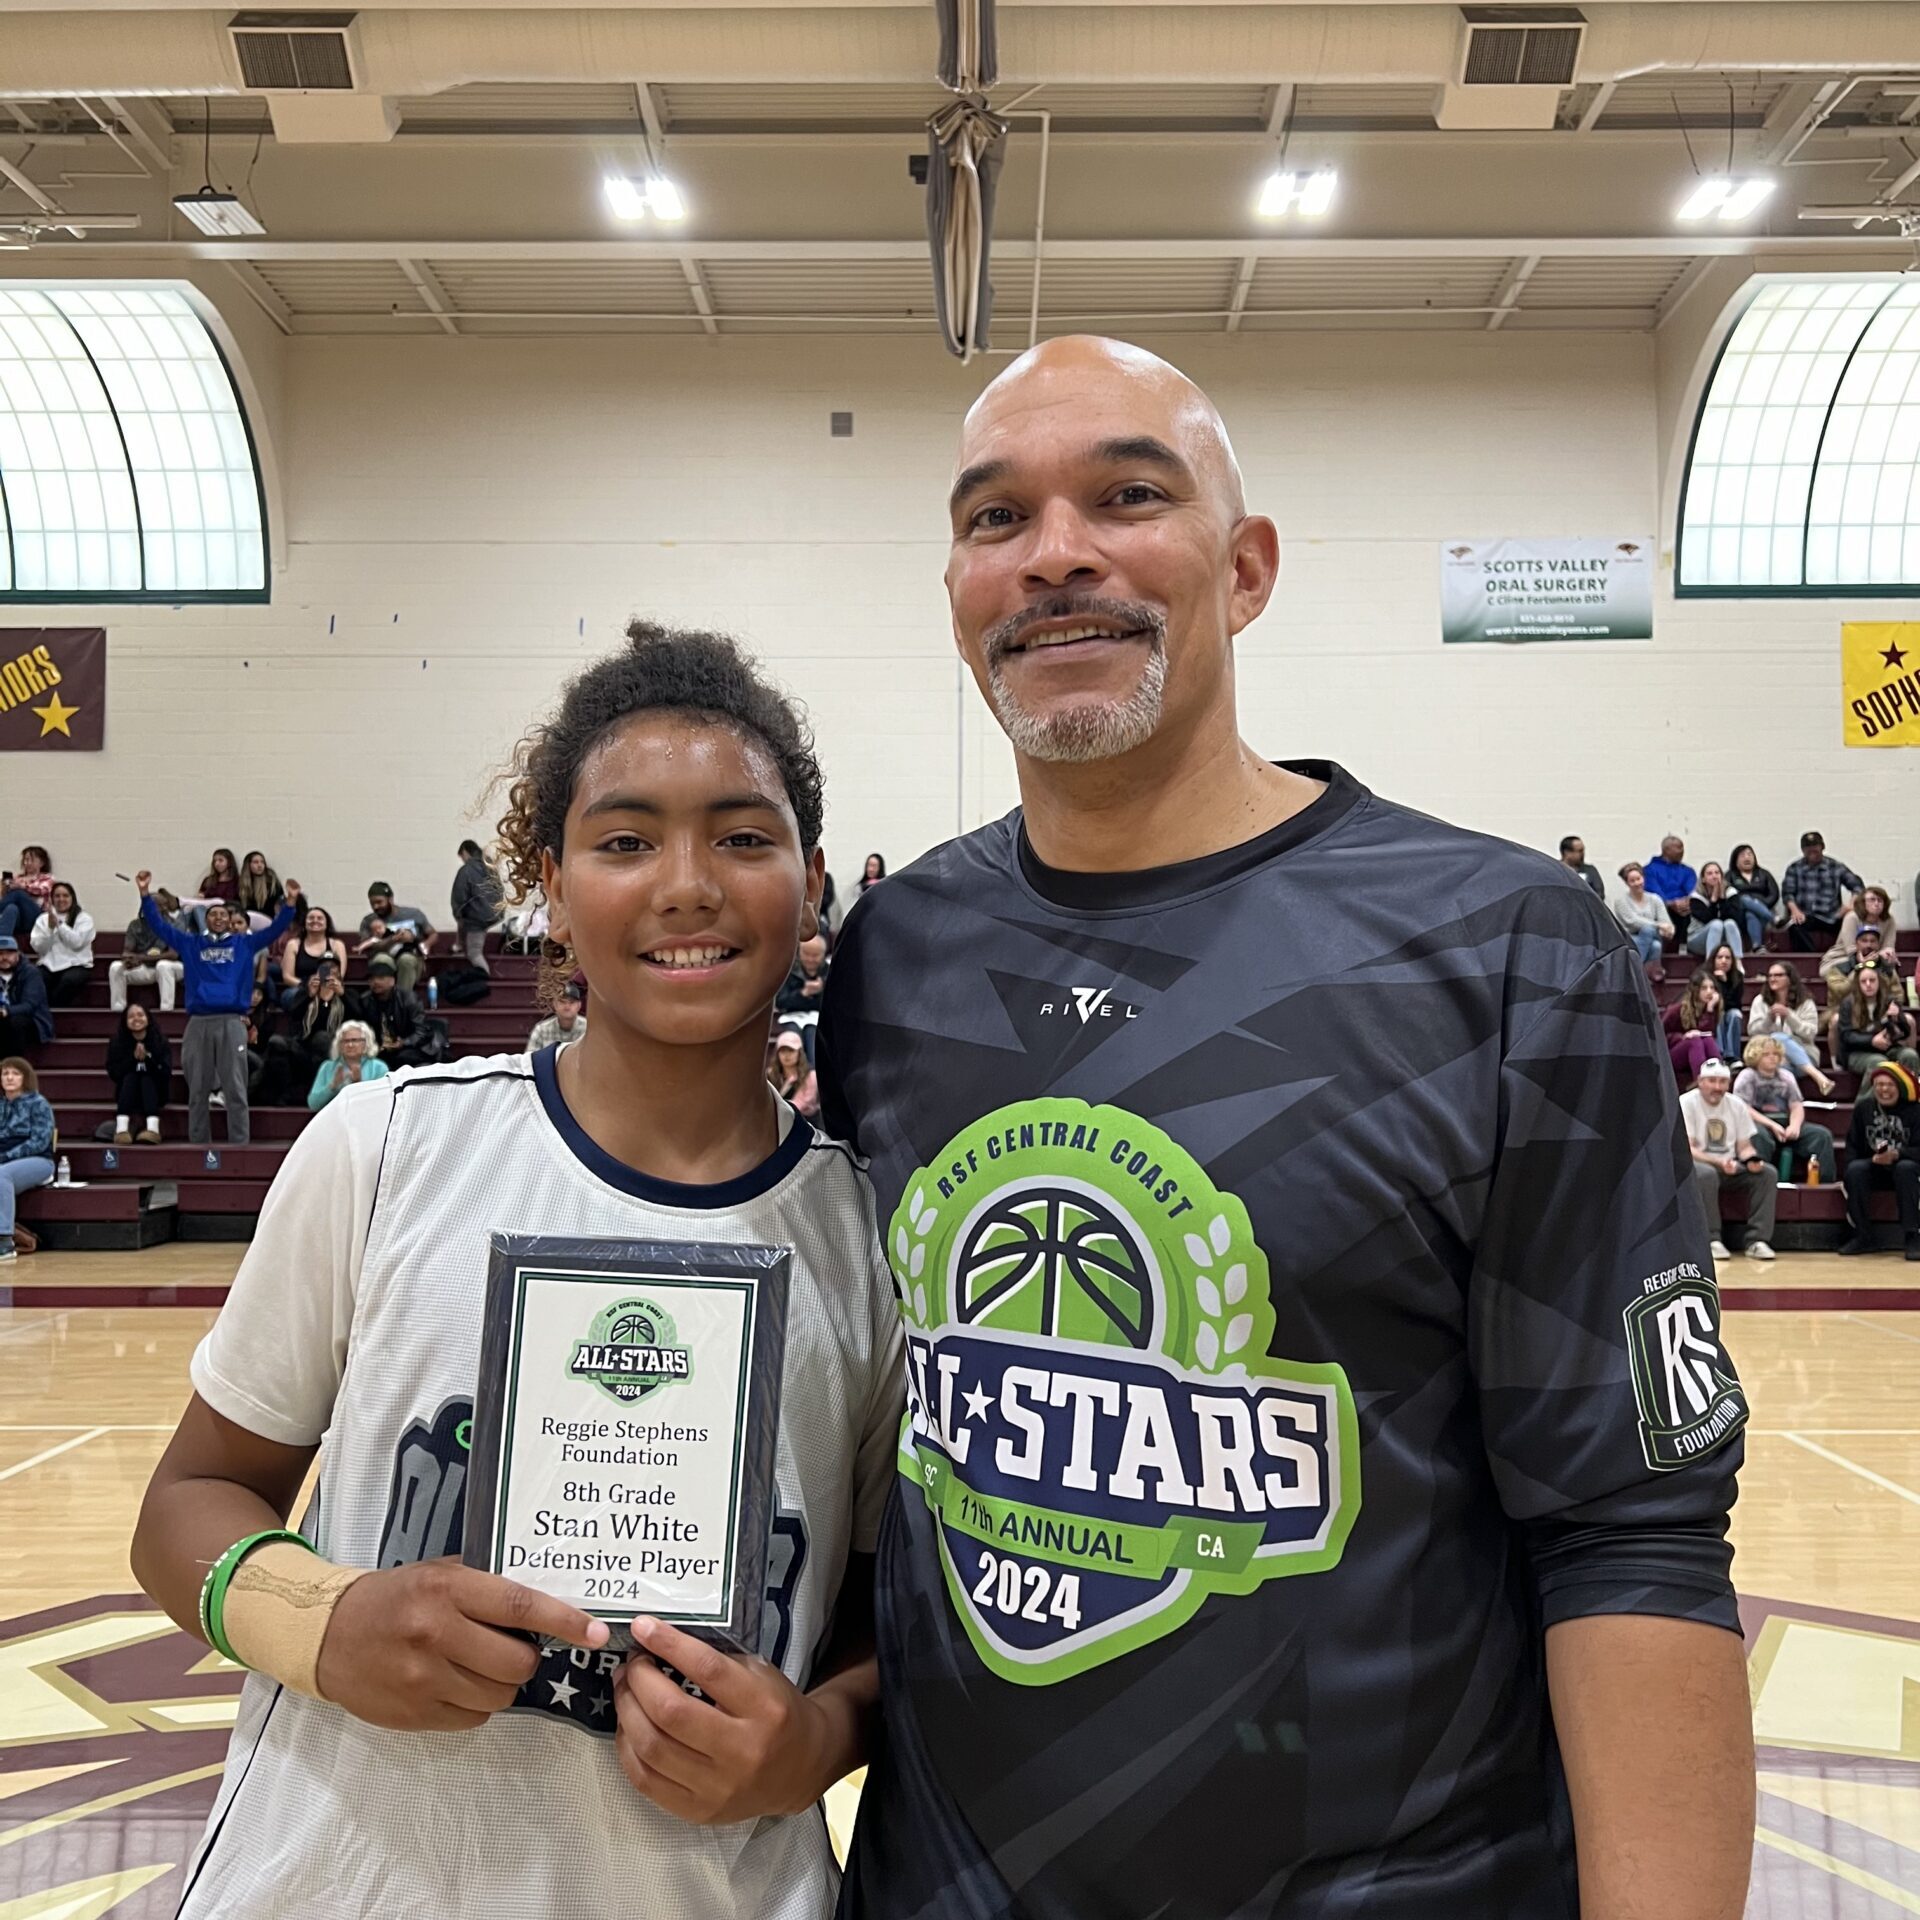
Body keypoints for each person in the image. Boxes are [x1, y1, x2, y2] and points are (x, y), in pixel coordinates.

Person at [820, 337, 1753, 1920]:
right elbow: (886, 1476)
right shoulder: (896, 952)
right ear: (961, 592)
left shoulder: (1508, 948)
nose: (1055, 554)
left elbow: (1632, 1536)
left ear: (1245, 570)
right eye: (997, 518)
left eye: (1128, 496)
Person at [130, 621, 903, 1920]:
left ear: (811, 878)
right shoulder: (385, 1148)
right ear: (549, 880)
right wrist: (326, 1621)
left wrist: (819, 1739)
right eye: (625, 840)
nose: (686, 885)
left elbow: (890, 1622)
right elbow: (185, 1509)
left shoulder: (872, 1242)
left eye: (742, 837)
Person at [136, 876, 294, 1147]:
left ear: (231, 921)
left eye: (223, 914)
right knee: (197, 1088)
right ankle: (199, 1145)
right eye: (213, 914)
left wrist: (290, 903)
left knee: (235, 1087)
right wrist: (144, 895)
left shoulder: (244, 944)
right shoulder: (191, 944)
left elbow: (276, 929)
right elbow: (160, 926)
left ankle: (239, 1146)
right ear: (205, 919)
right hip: (199, 1021)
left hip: (232, 1021)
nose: (219, 918)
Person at [1678, 1058, 1777, 1263]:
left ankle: (1757, 1241)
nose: (1717, 1087)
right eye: (1712, 1081)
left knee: (1767, 1174)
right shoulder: (1686, 1102)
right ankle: (1711, 1239)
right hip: (1696, 1166)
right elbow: (1688, 1148)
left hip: (1729, 1165)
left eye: (1722, 1082)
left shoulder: (1736, 1104)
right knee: (1707, 1174)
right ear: (1700, 1082)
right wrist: (1718, 1162)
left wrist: (1751, 1159)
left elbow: (1744, 1146)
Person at [1838, 1060, 1920, 1258]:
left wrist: (1897, 1154)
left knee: (1906, 1169)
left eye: (1890, 1085)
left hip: (1906, 1168)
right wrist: (1849, 1173)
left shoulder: (1915, 1111)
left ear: (1900, 1087)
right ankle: (1863, 1236)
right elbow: (1852, 1146)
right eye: (1879, 1085)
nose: (1884, 1090)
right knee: (1855, 1170)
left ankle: (1912, 1236)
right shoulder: (1863, 1108)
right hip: (1874, 1165)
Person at [1734, 1036, 1835, 1186]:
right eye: (1766, 1054)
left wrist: (1794, 1126)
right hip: (1758, 1122)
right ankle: (1759, 1182)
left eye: (1776, 1054)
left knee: (1821, 1135)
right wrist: (1771, 1125)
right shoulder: (1747, 1076)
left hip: (1784, 1121)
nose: (1772, 1058)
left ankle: (1823, 1186)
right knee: (1758, 1136)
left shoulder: (1786, 1076)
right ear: (1755, 1055)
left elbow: (1796, 1105)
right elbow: (1743, 1107)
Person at [261, 968, 349, 1105]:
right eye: (322, 977)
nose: (326, 981)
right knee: (276, 1042)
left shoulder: (347, 999)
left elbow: (359, 1018)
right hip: (302, 1047)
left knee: (322, 1038)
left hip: (334, 1052)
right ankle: (281, 1096)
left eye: (331, 978)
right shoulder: (305, 996)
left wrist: (342, 995)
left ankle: (321, 1093)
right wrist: (309, 995)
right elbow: (294, 1015)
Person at [1748, 960, 1835, 1097]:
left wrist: (1789, 1016)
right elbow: (1752, 1032)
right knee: (1780, 1065)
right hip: (1771, 1057)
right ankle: (1814, 1080)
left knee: (1777, 1038)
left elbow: (1810, 1034)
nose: (1773, 979)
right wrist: (1768, 1019)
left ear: (1790, 978)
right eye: (1770, 976)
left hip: (1805, 1053)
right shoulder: (1760, 1001)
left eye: (1778, 975)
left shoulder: (1806, 1002)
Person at [0, 1056, 56, 1265]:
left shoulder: (38, 1104)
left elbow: (40, 1141)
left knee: (2, 1175)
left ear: (25, 1078)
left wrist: (5, 1157)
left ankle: (5, 1243)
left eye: (15, 1073)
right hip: (3, 1157)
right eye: (5, 1073)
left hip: (37, 1159)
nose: (9, 1078)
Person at [1781, 830, 1861, 954]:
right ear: (1803, 850)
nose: (1812, 851)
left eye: (1815, 847)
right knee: (1794, 927)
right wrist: (1795, 910)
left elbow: (1858, 886)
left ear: (1822, 847)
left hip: (1833, 915)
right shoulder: (1794, 868)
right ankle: (1811, 958)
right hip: (1805, 915)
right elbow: (1787, 893)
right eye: (1808, 848)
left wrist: (1850, 905)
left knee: (1852, 921)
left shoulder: (1835, 866)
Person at [1835, 966, 1920, 1081]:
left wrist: (1897, 1020)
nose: (1868, 984)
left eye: (1872, 980)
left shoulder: (1889, 1001)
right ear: (1858, 984)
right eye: (1863, 981)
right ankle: (1868, 1094)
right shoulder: (1848, 1004)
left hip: (1887, 1049)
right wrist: (1872, 1040)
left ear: (1879, 981)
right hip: (1856, 1051)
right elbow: (1846, 1036)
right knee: (1878, 1062)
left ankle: (1910, 1091)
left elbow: (1905, 1033)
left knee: (1910, 1055)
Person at [351, 954, 433, 1071]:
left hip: (410, 1047)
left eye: (381, 978)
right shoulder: (365, 1001)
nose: (376, 982)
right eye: (372, 979)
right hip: (381, 1048)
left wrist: (404, 1043)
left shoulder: (409, 998)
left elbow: (422, 1031)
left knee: (403, 1058)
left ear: (393, 981)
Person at [107, 1002, 173, 1144]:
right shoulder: (117, 1042)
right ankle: (122, 1129)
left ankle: (153, 1129)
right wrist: (132, 1059)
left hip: (155, 1094)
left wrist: (148, 1058)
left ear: (148, 1018)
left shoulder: (160, 1041)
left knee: (146, 1077)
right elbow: (114, 1073)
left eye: (140, 1015)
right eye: (131, 1016)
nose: (136, 1019)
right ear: (125, 1021)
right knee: (131, 1076)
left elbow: (165, 1073)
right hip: (127, 1093)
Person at [112, 889, 187, 1012]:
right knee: (115, 967)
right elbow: (127, 951)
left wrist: (141, 957)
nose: (164, 908)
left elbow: (173, 954)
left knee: (163, 966)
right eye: (159, 905)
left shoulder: (173, 925)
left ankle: (166, 1010)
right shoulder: (135, 925)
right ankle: (118, 1009)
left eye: (163, 905)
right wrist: (128, 959)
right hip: (147, 968)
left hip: (174, 968)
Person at [29, 881, 96, 1006]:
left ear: (72, 898)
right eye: (57, 896)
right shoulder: (42, 919)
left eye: (65, 896)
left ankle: (51, 1008)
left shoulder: (84, 918)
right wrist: (50, 930)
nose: (61, 899)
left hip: (77, 964)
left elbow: (77, 943)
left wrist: (59, 925)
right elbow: (38, 947)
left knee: (69, 980)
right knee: (34, 977)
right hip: (49, 965)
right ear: (52, 899)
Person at [306, 1019, 389, 1110]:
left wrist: (358, 1084)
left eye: (355, 1040)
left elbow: (382, 1103)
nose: (350, 1045)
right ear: (339, 1045)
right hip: (334, 1116)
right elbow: (313, 1105)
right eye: (345, 1041)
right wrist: (333, 1086)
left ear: (366, 1043)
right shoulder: (327, 1067)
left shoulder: (379, 1068)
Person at [1610, 861, 1675, 978]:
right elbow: (1632, 921)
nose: (1637, 883)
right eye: (1632, 881)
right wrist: (1658, 925)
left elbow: (1666, 922)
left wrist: (1668, 929)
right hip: (1630, 937)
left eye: (1638, 879)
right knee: (1655, 945)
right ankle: (1646, 972)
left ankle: (1634, 971)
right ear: (1627, 883)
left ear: (1643, 878)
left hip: (1653, 935)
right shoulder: (1621, 901)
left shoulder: (1655, 899)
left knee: (1649, 932)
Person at [279, 906, 349, 1013]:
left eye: (320, 918)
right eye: (311, 918)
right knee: (290, 996)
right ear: (304, 923)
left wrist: (322, 987)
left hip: (329, 986)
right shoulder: (293, 944)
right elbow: (287, 977)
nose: (315, 921)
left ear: (327, 924)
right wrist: (308, 986)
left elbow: (340, 974)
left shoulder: (337, 945)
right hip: (302, 988)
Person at [450, 839, 505, 973]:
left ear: (465, 852)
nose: (463, 860)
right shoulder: (490, 867)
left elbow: (459, 896)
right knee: (471, 946)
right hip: (493, 913)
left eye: (462, 857)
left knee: (474, 953)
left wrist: (458, 914)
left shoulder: (466, 870)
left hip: (476, 917)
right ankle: (460, 946)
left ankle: (484, 977)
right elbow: (499, 890)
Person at [1663, 972, 1726, 1085]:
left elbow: (1707, 1033)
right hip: (1672, 1055)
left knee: (1707, 1039)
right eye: (1704, 988)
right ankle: (1700, 1083)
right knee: (1694, 1040)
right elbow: (1660, 1034)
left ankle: (1721, 1077)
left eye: (1712, 988)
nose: (1709, 992)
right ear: (1695, 990)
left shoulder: (1711, 1008)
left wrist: (1709, 1010)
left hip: (1697, 1052)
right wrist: (1683, 1037)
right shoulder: (1676, 1009)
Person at [0, 936, 53, 1055]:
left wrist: (6, 1011)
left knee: (15, 1022)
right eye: (0, 954)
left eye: (9, 953)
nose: (4, 958)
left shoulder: (30, 973)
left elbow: (29, 1005)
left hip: (32, 1020)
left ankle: (15, 1063)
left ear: (17, 954)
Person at [1724, 843, 1778, 953]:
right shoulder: (1730, 875)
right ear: (1735, 859)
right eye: (1742, 855)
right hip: (1739, 914)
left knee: (1751, 913)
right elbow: (1729, 896)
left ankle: (1757, 946)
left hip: (1760, 913)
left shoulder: (1764, 874)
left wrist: (1759, 905)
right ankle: (1773, 919)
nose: (1747, 858)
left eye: (1749, 854)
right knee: (1744, 899)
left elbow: (1774, 894)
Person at [1686, 862, 1745, 961]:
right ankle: (1711, 963)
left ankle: (1737, 962)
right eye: (1710, 873)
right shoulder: (1696, 897)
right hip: (1697, 938)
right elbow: (1707, 919)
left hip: (1723, 940)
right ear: (1703, 879)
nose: (1714, 876)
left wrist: (1722, 899)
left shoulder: (1731, 892)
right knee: (1716, 924)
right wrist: (1713, 899)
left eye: (1717, 873)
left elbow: (1737, 919)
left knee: (1730, 923)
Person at [1641, 834, 1696, 934]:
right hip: (1661, 912)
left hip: (1686, 912)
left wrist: (1687, 902)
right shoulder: (1649, 870)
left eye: (1682, 847)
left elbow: (1693, 890)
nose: (1682, 851)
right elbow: (1655, 892)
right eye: (1679, 847)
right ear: (1666, 850)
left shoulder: (1687, 870)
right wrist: (1670, 903)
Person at [767, 1023, 819, 1119]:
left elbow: (801, 1105)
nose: (787, 1055)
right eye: (783, 1051)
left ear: (799, 1052)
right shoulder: (770, 1074)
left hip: (804, 1121)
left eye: (791, 1050)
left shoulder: (811, 1076)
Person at [1703, 943, 1745, 1059]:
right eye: (1720, 957)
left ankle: (1732, 1056)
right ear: (1714, 959)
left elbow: (1735, 1004)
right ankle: (1719, 1054)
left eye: (1727, 958)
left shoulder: (1738, 977)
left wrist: (1724, 982)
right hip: (1709, 1012)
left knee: (1735, 1014)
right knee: (1718, 1014)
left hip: (1729, 1012)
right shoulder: (1705, 976)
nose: (1724, 961)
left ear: (1732, 961)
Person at [776, 933, 830, 1019]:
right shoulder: (788, 971)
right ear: (799, 952)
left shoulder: (830, 973)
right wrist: (803, 993)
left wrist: (820, 991)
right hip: (790, 1017)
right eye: (806, 954)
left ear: (823, 955)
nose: (810, 959)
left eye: (815, 955)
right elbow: (780, 1002)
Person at [527, 977, 587, 1052]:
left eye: (571, 1002)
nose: (567, 1006)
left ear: (579, 1005)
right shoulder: (541, 1030)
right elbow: (530, 1057)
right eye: (562, 1002)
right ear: (554, 1004)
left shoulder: (588, 1029)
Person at [236, 850, 285, 921]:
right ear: (248, 865)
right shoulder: (241, 884)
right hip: (248, 920)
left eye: (262, 862)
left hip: (268, 920)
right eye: (256, 862)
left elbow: (279, 904)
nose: (260, 865)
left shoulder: (272, 883)